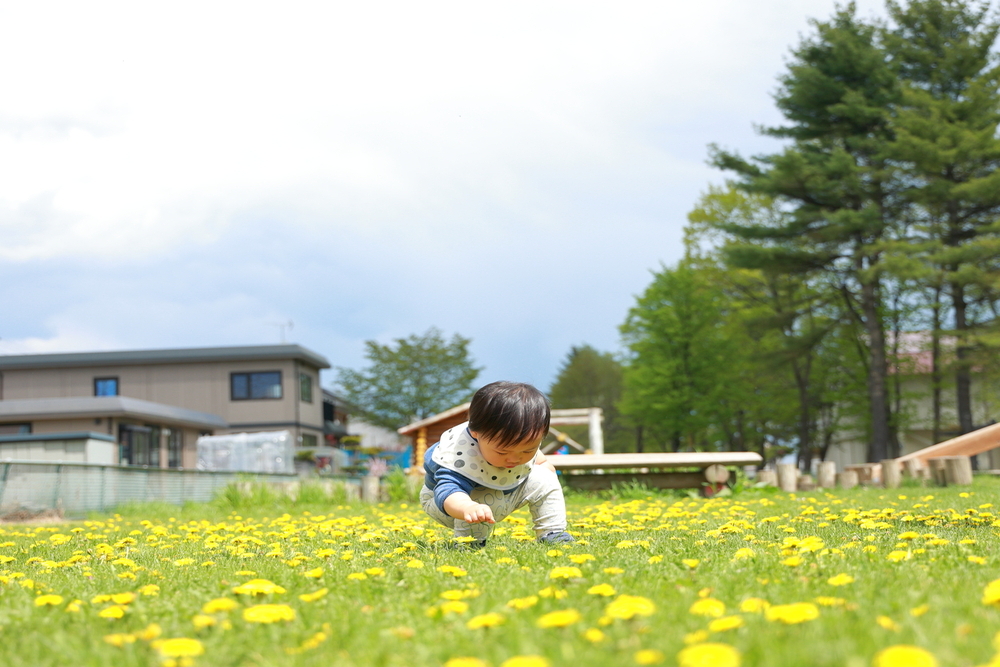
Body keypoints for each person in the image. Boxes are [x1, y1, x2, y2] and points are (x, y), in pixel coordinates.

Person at [420, 381, 574, 547]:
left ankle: (552, 533)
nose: (515, 459)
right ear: (475, 433)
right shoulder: (459, 455)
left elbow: (540, 461)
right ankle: (469, 543)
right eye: (502, 452)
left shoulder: (520, 443)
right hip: (448, 503)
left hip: (501, 495)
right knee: (482, 496)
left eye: (527, 451)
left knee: (545, 475)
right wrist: (467, 507)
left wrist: (546, 477)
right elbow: (447, 491)